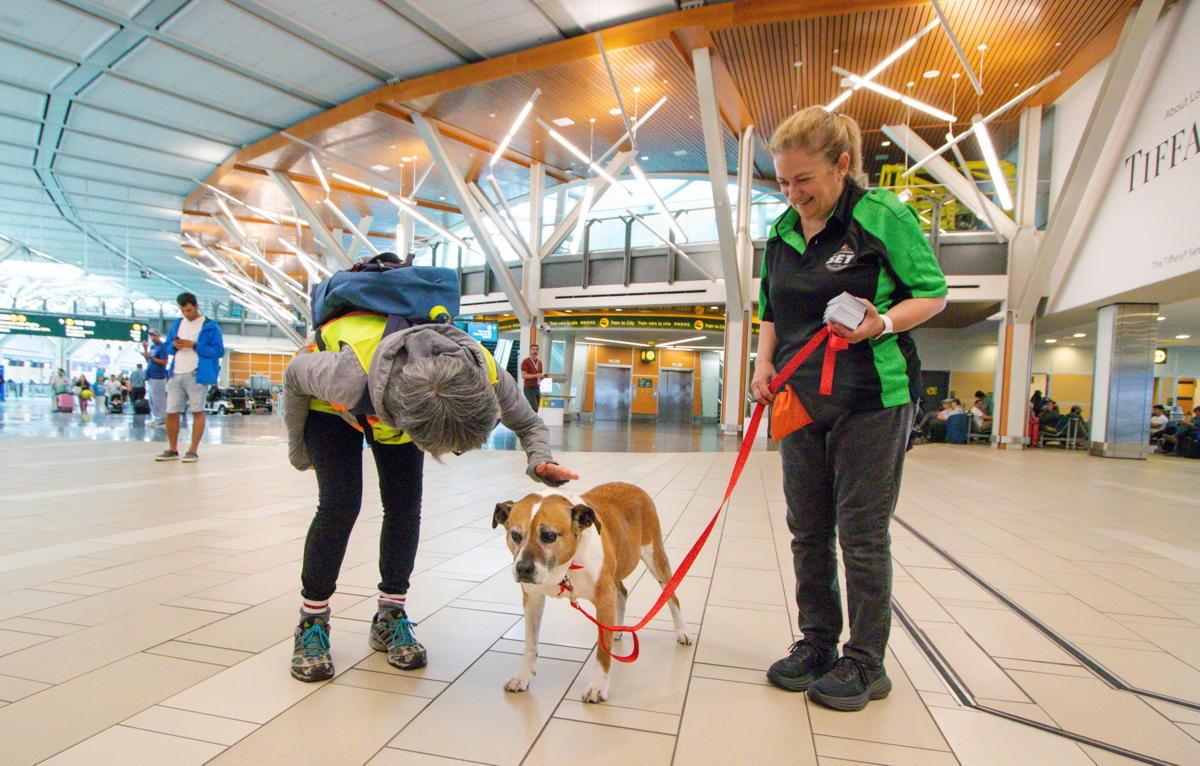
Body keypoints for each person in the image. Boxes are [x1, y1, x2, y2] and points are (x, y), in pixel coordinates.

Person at [753, 107, 947, 711]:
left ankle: (866, 661)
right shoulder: (782, 232)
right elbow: (772, 311)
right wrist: (763, 365)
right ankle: (817, 642)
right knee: (807, 530)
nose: (793, 194)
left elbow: (933, 294)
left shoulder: (880, 216)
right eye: (783, 181)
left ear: (842, 165)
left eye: (804, 180)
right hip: (801, 399)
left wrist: (881, 323)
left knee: (861, 534)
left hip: (873, 396)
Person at [282, 310, 579, 683]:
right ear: (411, 423)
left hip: (395, 401)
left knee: (405, 507)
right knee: (341, 504)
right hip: (330, 407)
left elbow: (527, 422)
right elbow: (294, 376)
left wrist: (540, 461)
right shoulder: (347, 377)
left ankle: (390, 615)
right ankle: (312, 621)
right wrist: (298, 450)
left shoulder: (484, 371)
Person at [155, 293, 225, 463]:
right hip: (176, 373)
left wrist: (194, 345)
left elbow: (218, 351)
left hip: (197, 374)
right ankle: (172, 449)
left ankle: (193, 450)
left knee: (197, 410)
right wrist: (174, 345)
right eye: (184, 311)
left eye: (190, 310)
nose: (187, 314)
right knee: (171, 411)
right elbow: (168, 348)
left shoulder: (210, 326)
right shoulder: (178, 324)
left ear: (196, 306)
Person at [143, 330, 170, 426]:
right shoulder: (153, 347)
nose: (152, 338)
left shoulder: (162, 348)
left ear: (158, 336)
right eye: (151, 336)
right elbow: (148, 359)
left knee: (158, 398)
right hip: (151, 375)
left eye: (154, 336)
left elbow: (164, 362)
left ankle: (161, 418)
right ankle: (156, 417)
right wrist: (146, 350)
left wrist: (151, 357)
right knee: (152, 398)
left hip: (158, 376)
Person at [519, 343, 545, 412]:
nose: (535, 351)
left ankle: (530, 421)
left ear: (538, 351)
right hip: (528, 388)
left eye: (536, 350)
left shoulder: (539, 363)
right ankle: (531, 422)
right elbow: (523, 375)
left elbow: (539, 375)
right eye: (533, 349)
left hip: (537, 387)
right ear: (530, 351)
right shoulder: (525, 361)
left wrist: (542, 377)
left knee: (536, 408)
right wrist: (536, 375)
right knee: (534, 408)